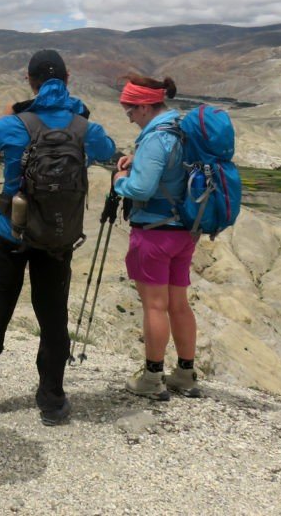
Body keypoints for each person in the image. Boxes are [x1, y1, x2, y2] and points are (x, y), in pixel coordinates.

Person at [0, 50, 115, 425]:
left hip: (10, 231)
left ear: (30, 80)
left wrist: (12, 114)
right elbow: (105, 150)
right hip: (58, 237)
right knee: (53, 317)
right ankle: (53, 401)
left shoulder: (17, 123)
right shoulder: (83, 126)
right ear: (68, 78)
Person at [112, 74, 202, 400]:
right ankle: (186, 374)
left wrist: (120, 179)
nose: (131, 118)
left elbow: (141, 189)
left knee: (154, 306)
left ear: (147, 106)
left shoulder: (154, 139)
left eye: (131, 111)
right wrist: (138, 163)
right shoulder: (181, 129)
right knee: (178, 304)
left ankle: (152, 378)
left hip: (154, 233)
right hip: (184, 232)